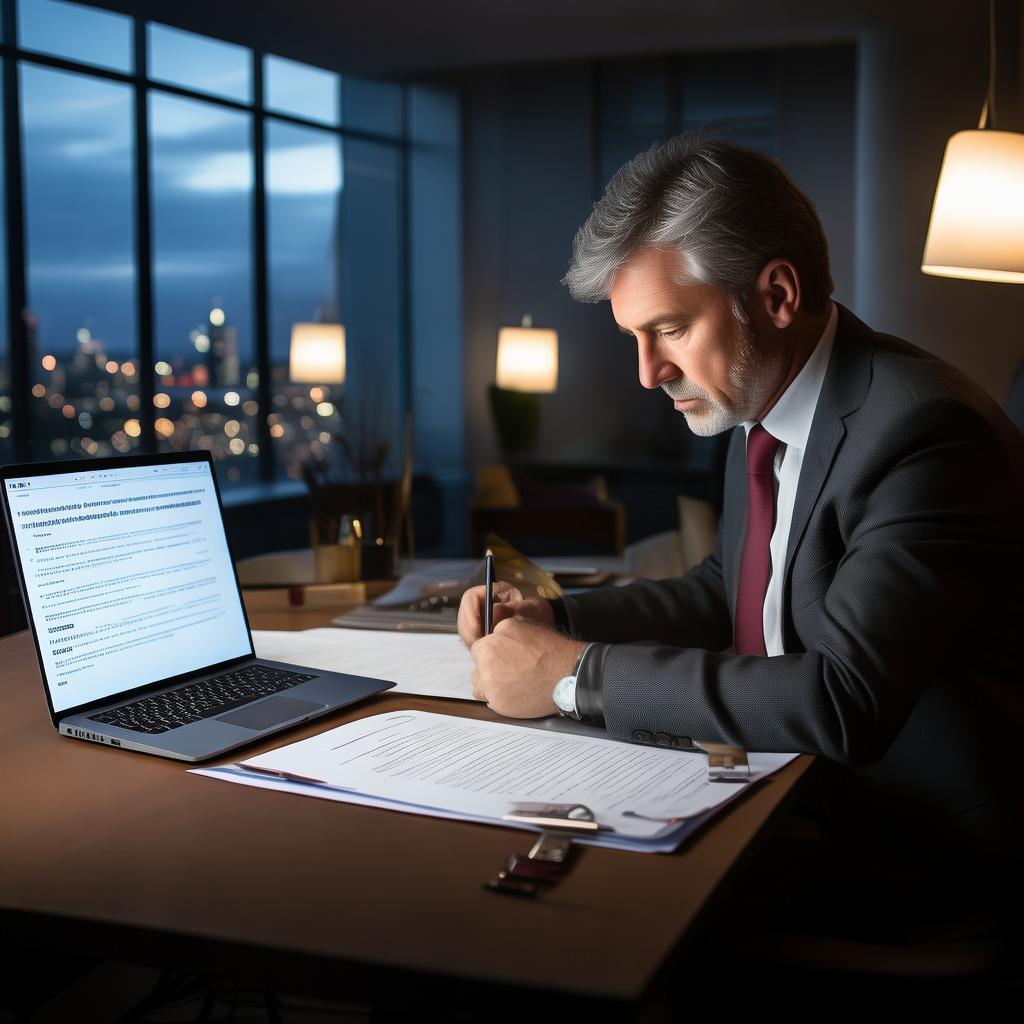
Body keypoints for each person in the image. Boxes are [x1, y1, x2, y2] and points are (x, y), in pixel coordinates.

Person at [458, 132, 1024, 889]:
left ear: (777, 296)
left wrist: (574, 676)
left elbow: (843, 698)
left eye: (669, 329)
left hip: (922, 858)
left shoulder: (924, 431)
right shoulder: (759, 401)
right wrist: (556, 621)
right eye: (635, 337)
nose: (648, 372)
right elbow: (726, 592)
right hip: (802, 804)